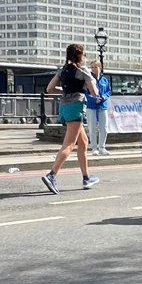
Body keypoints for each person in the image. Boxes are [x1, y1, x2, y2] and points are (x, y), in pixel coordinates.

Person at [41, 44, 101, 194]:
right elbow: (94, 92)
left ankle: (86, 178)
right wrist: (95, 89)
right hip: (75, 107)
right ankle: (52, 175)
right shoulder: (83, 70)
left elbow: (49, 89)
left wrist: (66, 89)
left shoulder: (63, 70)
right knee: (69, 144)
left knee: (84, 142)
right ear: (80, 56)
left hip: (64, 107)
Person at [84, 60, 111, 156]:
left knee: (104, 127)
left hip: (102, 106)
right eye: (92, 67)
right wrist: (94, 98)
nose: (94, 69)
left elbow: (108, 91)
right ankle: (94, 148)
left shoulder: (104, 79)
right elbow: (86, 92)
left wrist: (103, 97)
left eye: (96, 67)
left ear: (100, 67)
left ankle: (102, 147)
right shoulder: (88, 79)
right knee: (92, 127)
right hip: (91, 105)